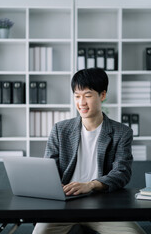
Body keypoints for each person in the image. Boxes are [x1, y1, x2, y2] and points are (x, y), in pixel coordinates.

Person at [32, 68, 145, 234]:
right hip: (64, 206)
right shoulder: (60, 130)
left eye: (88, 95)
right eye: (77, 96)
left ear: (102, 95)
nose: (81, 102)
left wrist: (90, 185)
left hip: (103, 207)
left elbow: (122, 172)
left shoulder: (122, 132)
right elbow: (49, 169)